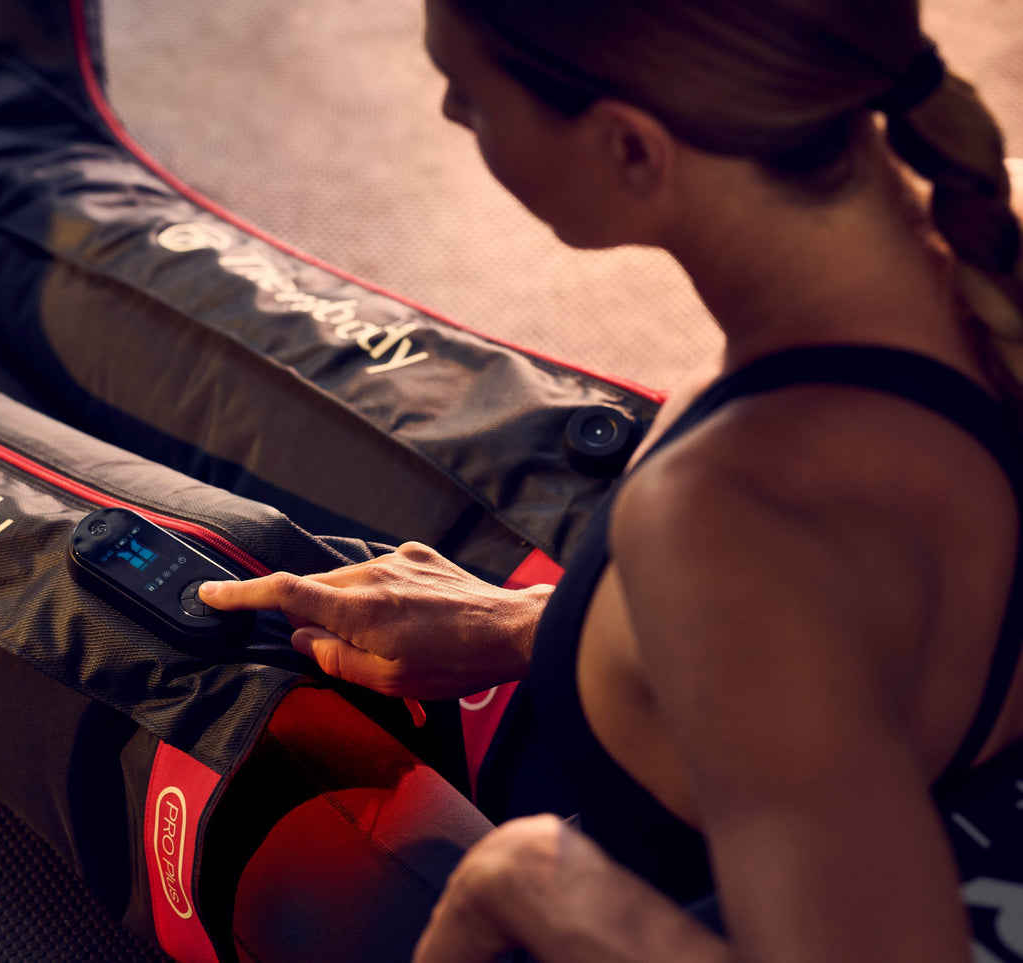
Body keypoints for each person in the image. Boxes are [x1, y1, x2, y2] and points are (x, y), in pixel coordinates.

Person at [198, 0, 1023, 960]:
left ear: (631, 150)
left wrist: (526, 880)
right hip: (859, 750)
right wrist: (535, 626)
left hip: (664, 896)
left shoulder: (721, 517)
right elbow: (841, 619)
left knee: (190, 672)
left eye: (467, 96)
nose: (450, 119)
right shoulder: (989, 230)